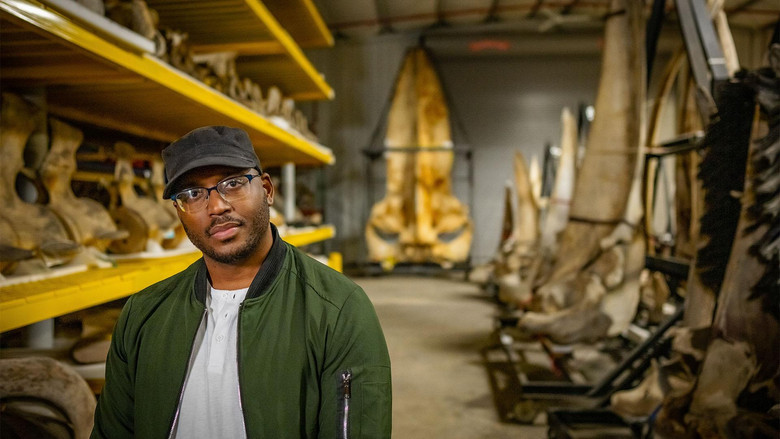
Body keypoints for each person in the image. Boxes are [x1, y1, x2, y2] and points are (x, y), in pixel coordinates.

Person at [91, 126, 392, 438]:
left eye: (233, 183)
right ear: (179, 212)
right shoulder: (143, 314)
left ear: (267, 190)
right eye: (192, 194)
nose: (216, 207)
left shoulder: (338, 310)